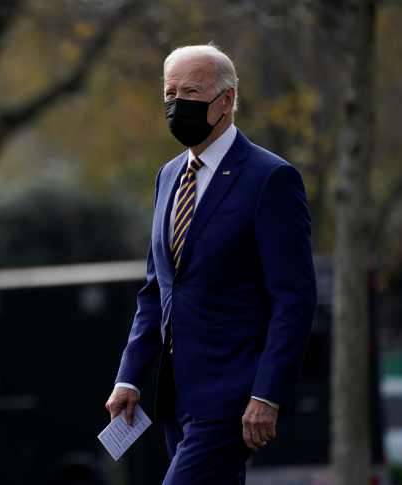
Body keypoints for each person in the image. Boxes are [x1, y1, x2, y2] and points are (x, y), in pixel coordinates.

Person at [105, 44, 317, 485]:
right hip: (176, 398)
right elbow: (156, 291)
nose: (177, 104)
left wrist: (268, 395)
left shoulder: (270, 179)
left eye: (191, 91)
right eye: (170, 92)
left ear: (228, 99)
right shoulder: (168, 176)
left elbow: (294, 300)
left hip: (234, 400)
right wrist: (129, 378)